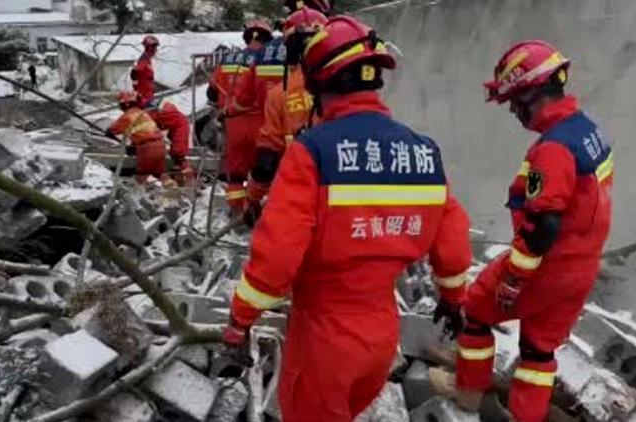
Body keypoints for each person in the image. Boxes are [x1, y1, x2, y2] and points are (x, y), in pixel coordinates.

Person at [221, 16, 473, 421]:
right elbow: (453, 241)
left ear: (322, 84)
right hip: (381, 335)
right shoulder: (423, 151)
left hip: (324, 336)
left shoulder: (313, 151)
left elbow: (277, 255)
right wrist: (455, 299)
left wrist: (240, 319)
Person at [429, 40, 614, 422]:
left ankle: (467, 392)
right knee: (538, 351)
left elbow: (543, 225)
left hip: (545, 267)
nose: (514, 110)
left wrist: (514, 277)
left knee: (475, 312)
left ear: (534, 92)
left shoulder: (553, 149)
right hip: (580, 270)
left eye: (516, 101)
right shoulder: (589, 132)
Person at [244, 7, 327, 225]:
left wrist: (252, 198)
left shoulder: (280, 94)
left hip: (299, 197)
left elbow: (266, 162)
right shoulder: (350, 90)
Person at [222, 19, 276, 216]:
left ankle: (236, 214)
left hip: (233, 124)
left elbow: (212, 93)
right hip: (261, 123)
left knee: (235, 174)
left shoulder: (227, 59)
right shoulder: (267, 60)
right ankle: (261, 213)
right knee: (264, 172)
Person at [106, 91, 166, 183]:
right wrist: (134, 145)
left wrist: (109, 131)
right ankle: (171, 188)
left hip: (147, 148)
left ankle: (138, 193)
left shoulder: (128, 115)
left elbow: (114, 129)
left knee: (141, 176)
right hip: (160, 146)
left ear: (125, 104)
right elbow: (144, 132)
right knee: (160, 173)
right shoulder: (142, 113)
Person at [145, 99, 194, 186]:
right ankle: (182, 179)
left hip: (179, 129)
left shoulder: (155, 116)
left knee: (178, 153)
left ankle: (188, 181)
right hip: (178, 128)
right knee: (176, 154)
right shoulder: (164, 113)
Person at [131, 35, 159, 107]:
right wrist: (137, 90)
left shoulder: (147, 60)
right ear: (150, 48)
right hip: (144, 99)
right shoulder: (143, 61)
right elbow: (134, 73)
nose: (156, 50)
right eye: (155, 48)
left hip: (148, 96)